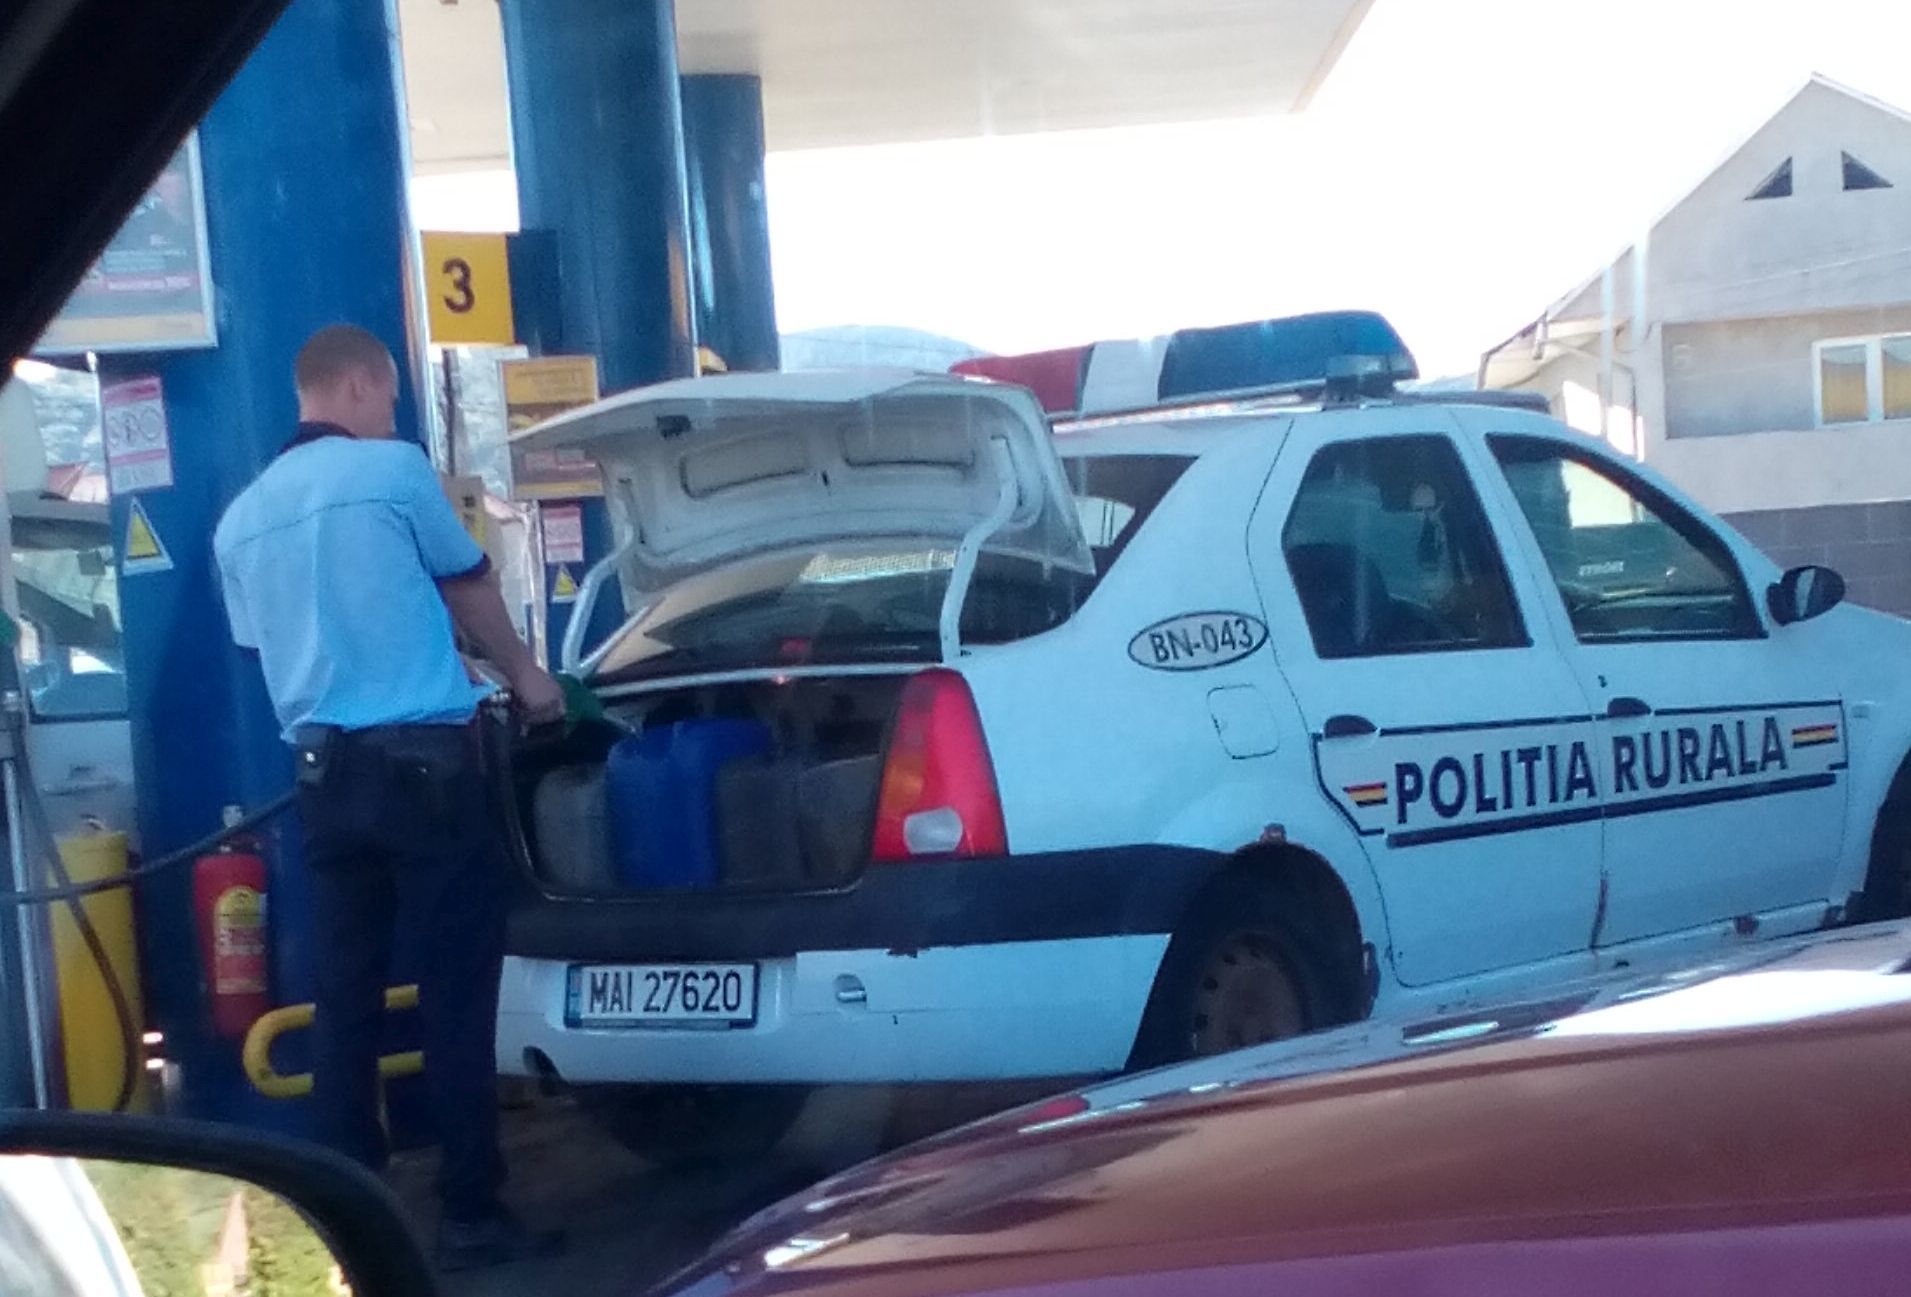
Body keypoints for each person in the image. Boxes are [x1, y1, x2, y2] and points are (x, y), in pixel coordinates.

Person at [213, 323, 567, 1270]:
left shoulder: (240, 518)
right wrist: (527, 675)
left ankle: (343, 1218)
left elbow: (266, 644)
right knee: (455, 991)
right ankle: (470, 1211)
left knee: (344, 1000)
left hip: (323, 781)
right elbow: (469, 586)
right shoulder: (392, 470)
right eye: (391, 396)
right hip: (428, 773)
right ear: (363, 384)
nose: (391, 414)